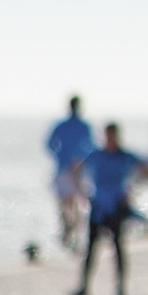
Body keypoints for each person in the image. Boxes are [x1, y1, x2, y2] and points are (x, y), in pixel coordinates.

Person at [72, 123, 148, 295]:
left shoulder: (124, 156)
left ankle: (121, 289)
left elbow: (146, 171)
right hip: (98, 206)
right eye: (108, 136)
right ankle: (84, 287)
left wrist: (132, 193)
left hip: (116, 206)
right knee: (91, 249)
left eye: (113, 136)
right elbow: (76, 170)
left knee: (118, 248)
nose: (110, 139)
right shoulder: (97, 155)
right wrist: (83, 194)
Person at [47, 96, 96, 251]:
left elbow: (50, 144)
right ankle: (71, 231)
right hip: (75, 169)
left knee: (67, 204)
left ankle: (70, 231)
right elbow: (90, 147)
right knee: (73, 203)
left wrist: (61, 156)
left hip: (68, 169)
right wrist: (78, 158)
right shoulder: (82, 126)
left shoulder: (64, 125)